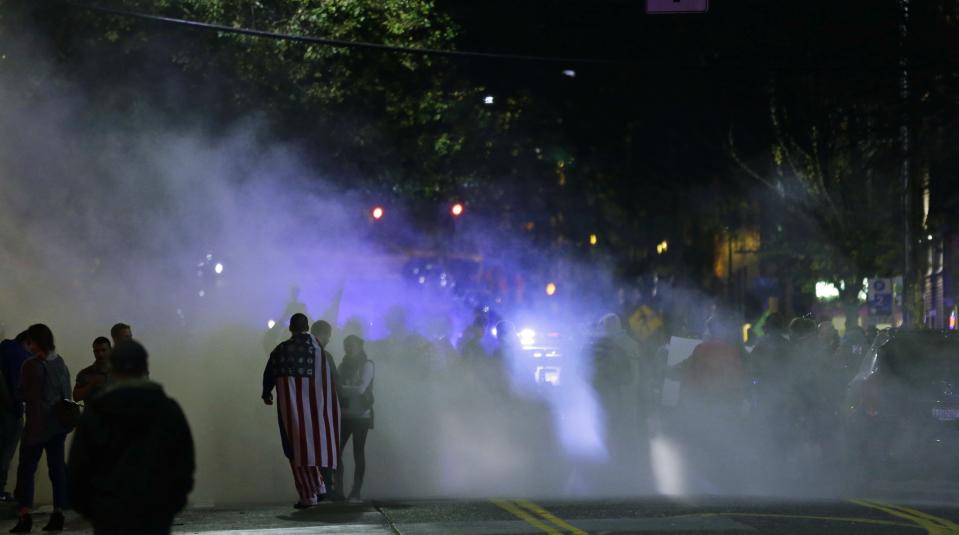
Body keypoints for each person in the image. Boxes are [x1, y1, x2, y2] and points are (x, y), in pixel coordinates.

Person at [68, 340, 194, 535]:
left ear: (113, 369)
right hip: (154, 513)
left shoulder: (97, 412)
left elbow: (78, 470)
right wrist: (169, 506)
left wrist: (96, 511)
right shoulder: (167, 409)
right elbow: (183, 464)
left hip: (109, 516)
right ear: (145, 367)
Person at [262, 314, 340, 508]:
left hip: (290, 411)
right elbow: (334, 379)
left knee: (295, 450)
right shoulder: (321, 352)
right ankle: (319, 485)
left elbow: (269, 373)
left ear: (290, 328)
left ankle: (308, 495)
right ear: (308, 327)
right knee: (311, 447)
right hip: (317, 412)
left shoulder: (281, 350)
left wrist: (267, 393)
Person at [11, 324, 72, 533]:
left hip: (36, 427)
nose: (27, 345)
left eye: (30, 341)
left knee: (27, 471)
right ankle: (58, 514)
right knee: (57, 471)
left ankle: (24, 517)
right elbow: (67, 393)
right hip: (57, 426)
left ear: (35, 341)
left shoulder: (29, 365)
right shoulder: (60, 362)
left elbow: (20, 393)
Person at [334, 335, 374, 503]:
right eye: (346, 345)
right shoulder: (342, 366)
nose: (348, 348)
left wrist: (341, 389)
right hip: (344, 415)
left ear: (360, 346)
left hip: (361, 416)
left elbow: (360, 389)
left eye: (351, 345)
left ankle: (355, 492)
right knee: (336, 453)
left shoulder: (367, 364)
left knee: (358, 453)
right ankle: (338, 491)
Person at [0, 332, 30, 503]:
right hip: (10, 411)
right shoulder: (20, 355)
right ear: (27, 342)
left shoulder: (4, 347)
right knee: (6, 451)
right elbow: (18, 386)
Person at [73, 337, 112, 402]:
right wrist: (92, 384)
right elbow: (76, 397)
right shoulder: (85, 373)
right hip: (91, 411)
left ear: (110, 350)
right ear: (93, 352)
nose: (100, 354)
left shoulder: (119, 372)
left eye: (103, 350)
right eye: (97, 351)